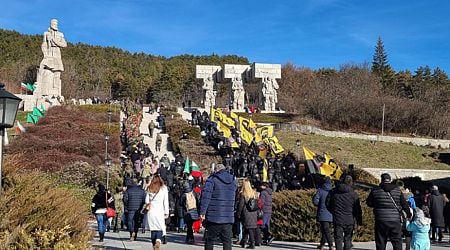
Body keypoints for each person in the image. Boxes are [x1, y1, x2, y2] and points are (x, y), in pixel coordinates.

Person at [367, 173, 412, 250]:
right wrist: (409, 214)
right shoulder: (397, 190)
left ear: (381, 180)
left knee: (380, 241)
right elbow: (404, 204)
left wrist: (378, 205)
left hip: (380, 219)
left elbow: (369, 203)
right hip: (395, 220)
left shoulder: (375, 190)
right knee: (397, 241)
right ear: (390, 180)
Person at [200, 163, 236, 250]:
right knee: (227, 241)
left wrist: (202, 212)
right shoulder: (233, 180)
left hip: (214, 216)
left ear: (215, 170)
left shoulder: (212, 180)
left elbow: (206, 197)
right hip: (228, 217)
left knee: (209, 240)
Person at [326, 175, 362, 250]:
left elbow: (327, 203)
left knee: (338, 238)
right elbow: (357, 210)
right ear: (351, 182)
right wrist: (359, 222)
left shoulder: (333, 191)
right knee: (348, 239)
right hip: (349, 219)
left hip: (337, 218)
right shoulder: (353, 194)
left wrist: (334, 211)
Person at [143, 175, 169, 250]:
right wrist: (166, 212)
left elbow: (146, 201)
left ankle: (154, 242)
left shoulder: (149, 188)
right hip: (160, 211)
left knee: (153, 228)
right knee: (160, 228)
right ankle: (158, 240)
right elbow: (165, 202)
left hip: (151, 211)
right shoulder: (164, 188)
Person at [237, 179, 259, 249]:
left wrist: (238, 214)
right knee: (248, 228)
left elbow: (241, 205)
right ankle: (243, 241)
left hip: (247, 213)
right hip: (254, 213)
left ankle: (252, 243)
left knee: (249, 229)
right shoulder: (254, 193)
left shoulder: (243, 194)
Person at [313, 177, 333, 250]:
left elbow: (315, 201)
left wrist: (320, 204)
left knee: (326, 230)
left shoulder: (320, 191)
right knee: (326, 229)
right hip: (331, 213)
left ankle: (330, 245)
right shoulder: (333, 191)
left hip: (322, 212)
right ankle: (322, 245)